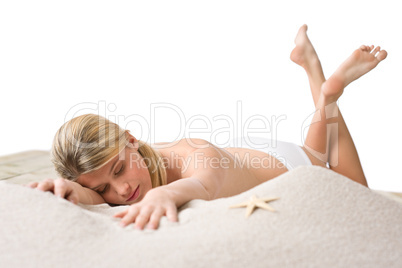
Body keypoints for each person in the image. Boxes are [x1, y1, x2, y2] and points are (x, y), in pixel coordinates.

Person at [28, 25, 387, 230]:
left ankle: (328, 94)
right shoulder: (117, 179)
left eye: (119, 169)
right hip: (254, 158)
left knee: (355, 189)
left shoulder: (190, 153)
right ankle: (310, 66)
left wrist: (163, 194)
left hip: (284, 166)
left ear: (132, 140)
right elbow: (93, 195)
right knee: (316, 150)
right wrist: (71, 192)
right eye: (104, 187)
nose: (121, 190)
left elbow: (203, 185)